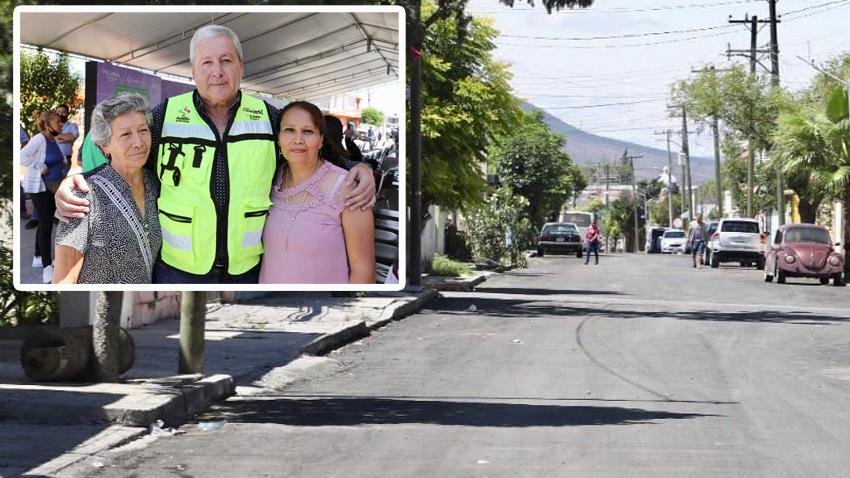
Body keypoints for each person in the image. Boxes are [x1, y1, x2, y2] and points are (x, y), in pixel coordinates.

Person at [55, 25, 375, 284]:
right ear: (194, 71)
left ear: (240, 67)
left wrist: (355, 166)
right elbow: (126, 160)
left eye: (226, 61)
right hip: (176, 273)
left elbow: (307, 151)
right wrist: (78, 181)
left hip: (247, 273)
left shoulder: (269, 117)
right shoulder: (165, 115)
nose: (217, 71)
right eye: (207, 62)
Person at [260, 102, 374, 284]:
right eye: (289, 130)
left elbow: (363, 271)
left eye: (307, 131)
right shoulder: (268, 179)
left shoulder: (348, 189)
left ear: (321, 139)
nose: (298, 139)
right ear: (278, 137)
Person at [53, 92, 160, 284]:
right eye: (126, 134)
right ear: (104, 146)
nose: (138, 142)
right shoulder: (83, 196)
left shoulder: (156, 185)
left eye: (143, 130)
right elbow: (63, 281)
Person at [20, 110, 65, 283]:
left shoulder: (56, 139)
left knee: (44, 223)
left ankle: (38, 257)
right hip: (40, 188)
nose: (60, 124)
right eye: (57, 121)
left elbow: (59, 158)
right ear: (47, 125)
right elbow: (22, 156)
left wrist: (64, 162)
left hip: (53, 187)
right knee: (46, 225)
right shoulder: (39, 139)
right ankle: (47, 267)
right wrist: (40, 166)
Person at [55, 104, 80, 177]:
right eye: (59, 112)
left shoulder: (72, 126)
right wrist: (65, 138)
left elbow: (72, 137)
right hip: (52, 160)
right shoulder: (52, 125)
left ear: (67, 113)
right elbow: (49, 138)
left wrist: (56, 136)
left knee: (61, 181)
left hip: (66, 159)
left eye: (63, 112)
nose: (61, 114)